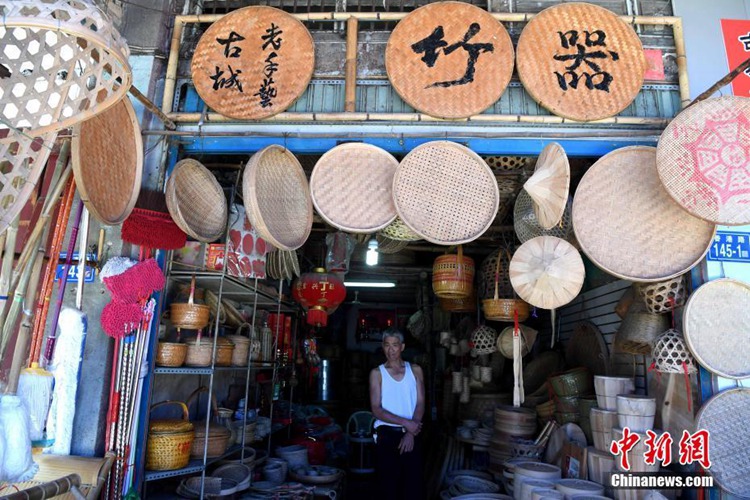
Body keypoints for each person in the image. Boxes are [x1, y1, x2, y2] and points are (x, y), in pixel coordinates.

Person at [369, 328, 425, 500]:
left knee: (412, 485)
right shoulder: (377, 373)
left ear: (402, 347)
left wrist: (409, 431)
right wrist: (406, 423)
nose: (390, 349)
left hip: (412, 433)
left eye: (395, 345)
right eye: (387, 345)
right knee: (388, 486)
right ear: (382, 346)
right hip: (386, 434)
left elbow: (421, 402)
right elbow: (376, 408)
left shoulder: (415, 370)